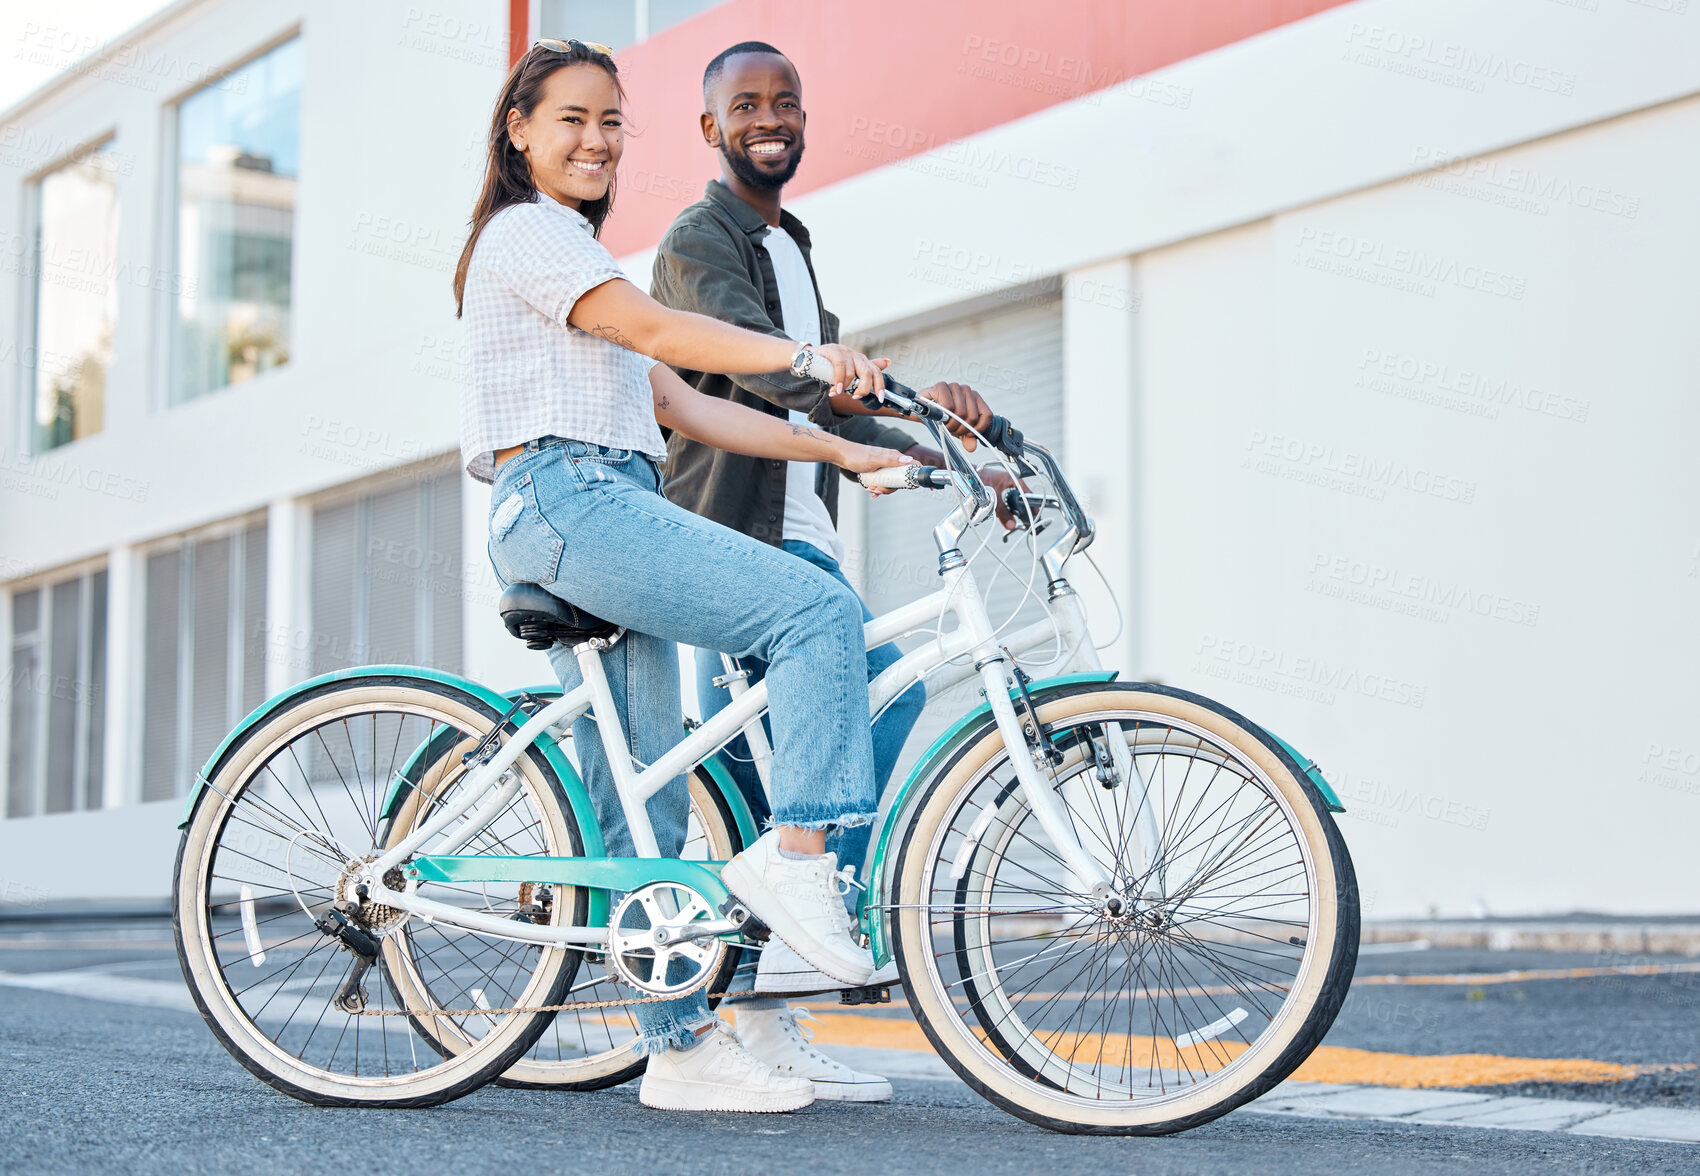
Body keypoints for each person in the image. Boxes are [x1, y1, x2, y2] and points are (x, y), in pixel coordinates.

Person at [455, 38, 915, 1115]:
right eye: (571, 118)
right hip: (569, 501)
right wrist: (802, 360)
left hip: (606, 504)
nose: (596, 138)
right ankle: (794, 861)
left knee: (643, 803)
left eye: (611, 121)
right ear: (518, 130)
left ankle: (676, 1048)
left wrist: (844, 450)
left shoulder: (577, 258)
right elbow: (660, 327)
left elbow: (686, 406)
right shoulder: (526, 237)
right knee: (814, 609)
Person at [650, 41, 1015, 1103]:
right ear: (710, 129)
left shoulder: (788, 240)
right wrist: (866, 402)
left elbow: (841, 386)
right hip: (738, 538)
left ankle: (763, 1011)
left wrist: (945, 430)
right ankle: (747, 1001)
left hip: (799, 532)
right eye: (745, 105)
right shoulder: (699, 240)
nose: (770, 119)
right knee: (841, 739)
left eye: (786, 103)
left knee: (857, 734)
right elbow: (780, 368)